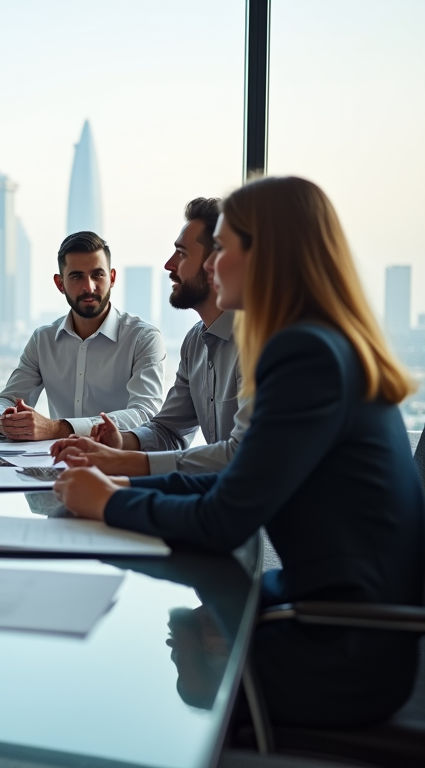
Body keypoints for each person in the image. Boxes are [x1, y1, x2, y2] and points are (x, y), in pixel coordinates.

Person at [53, 176, 425, 727]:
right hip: (339, 621)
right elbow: (237, 481)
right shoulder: (321, 341)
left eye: (222, 249)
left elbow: (225, 517)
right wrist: (122, 487)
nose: (210, 266)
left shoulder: (303, 354)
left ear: (266, 255)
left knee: (124, 679)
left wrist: (109, 503)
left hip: (342, 653)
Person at [53, 199, 250, 474]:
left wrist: (126, 464)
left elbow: (244, 457)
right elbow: (169, 431)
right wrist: (121, 442)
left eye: (181, 254)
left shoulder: (257, 341)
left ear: (215, 263)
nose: (169, 265)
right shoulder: (196, 341)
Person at [0, 231, 165, 440]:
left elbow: (146, 414)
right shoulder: (43, 340)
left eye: (98, 275)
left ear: (112, 278)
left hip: (121, 467)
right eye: (77, 277)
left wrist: (58, 428)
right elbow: (2, 403)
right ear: (60, 284)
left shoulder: (143, 338)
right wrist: (4, 423)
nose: (89, 287)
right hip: (59, 465)